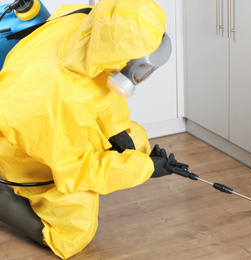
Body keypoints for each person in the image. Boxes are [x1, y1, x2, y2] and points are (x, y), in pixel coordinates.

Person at [0, 0, 183, 259]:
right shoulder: (54, 98)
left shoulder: (87, 20)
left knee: (135, 139)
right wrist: (144, 169)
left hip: (49, 115)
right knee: (75, 231)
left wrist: (117, 134)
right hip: (18, 144)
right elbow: (75, 170)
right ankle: (4, 196)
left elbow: (95, 86)